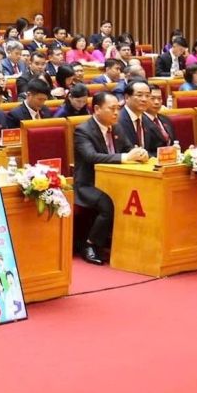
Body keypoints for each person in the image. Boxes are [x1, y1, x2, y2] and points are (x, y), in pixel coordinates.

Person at [74, 92, 150, 265]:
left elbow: (129, 149)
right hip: (89, 183)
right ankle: (90, 244)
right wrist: (126, 157)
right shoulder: (83, 130)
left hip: (115, 181)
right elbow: (91, 156)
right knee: (108, 203)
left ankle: (127, 242)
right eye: (112, 109)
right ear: (97, 109)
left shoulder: (116, 128)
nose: (116, 113)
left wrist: (139, 153)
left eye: (118, 108)